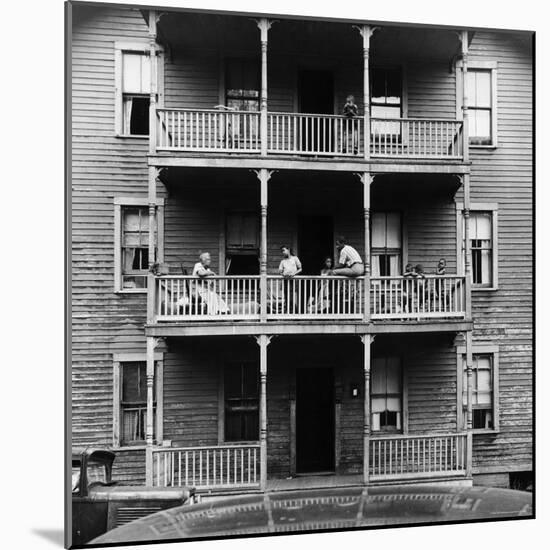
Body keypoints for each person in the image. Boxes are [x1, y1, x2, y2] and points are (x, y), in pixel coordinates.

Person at [278, 246, 302, 313]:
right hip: (286, 280)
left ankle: (294, 311)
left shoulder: (295, 258)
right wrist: (283, 274)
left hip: (292, 280)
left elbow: (300, 269)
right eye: (282, 251)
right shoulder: (283, 261)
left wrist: (294, 273)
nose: (283, 252)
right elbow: (280, 271)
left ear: (288, 250)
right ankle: (288, 311)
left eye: (283, 250)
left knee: (291, 296)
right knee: (286, 296)